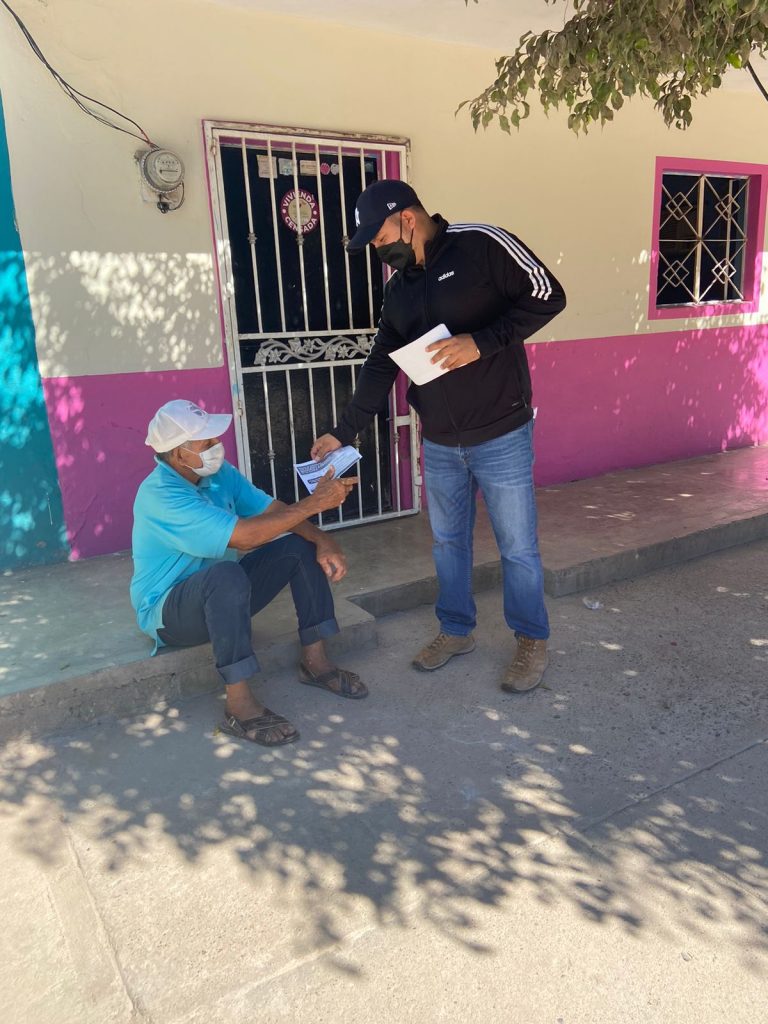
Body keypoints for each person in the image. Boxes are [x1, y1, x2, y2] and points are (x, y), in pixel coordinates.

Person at [312, 180, 566, 693]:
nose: (380, 249)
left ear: (407, 218)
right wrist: (343, 430)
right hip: (442, 440)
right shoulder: (400, 289)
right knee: (448, 544)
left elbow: (548, 295)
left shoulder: (481, 244)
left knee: (517, 547)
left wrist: (481, 343)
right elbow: (382, 363)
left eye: (381, 237)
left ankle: (531, 639)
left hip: (502, 432)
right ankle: (456, 630)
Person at [131, 399, 367, 748]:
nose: (218, 446)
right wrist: (315, 502)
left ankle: (315, 663)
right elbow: (244, 537)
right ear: (179, 455)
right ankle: (238, 706)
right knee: (225, 574)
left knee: (298, 546)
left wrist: (322, 539)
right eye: (207, 443)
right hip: (170, 614)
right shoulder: (161, 496)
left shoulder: (216, 474)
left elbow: (271, 510)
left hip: (223, 594)